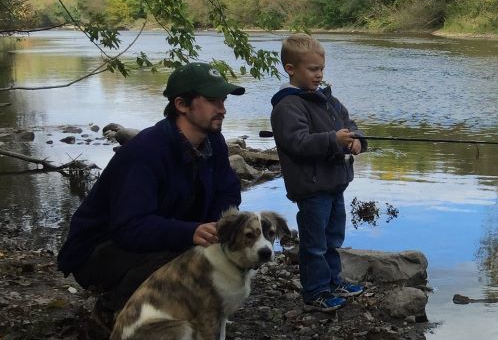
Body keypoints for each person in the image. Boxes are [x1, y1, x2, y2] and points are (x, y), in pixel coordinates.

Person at [57, 62, 246, 324]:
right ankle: (112, 309)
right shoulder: (145, 152)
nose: (222, 109)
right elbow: (129, 227)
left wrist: (220, 225)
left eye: (223, 101)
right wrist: (189, 232)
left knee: (215, 254)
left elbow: (228, 189)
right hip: (98, 251)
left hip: (154, 236)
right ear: (181, 105)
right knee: (177, 261)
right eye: (213, 100)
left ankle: (172, 309)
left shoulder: (213, 142)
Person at [269, 34, 367, 312]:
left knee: (333, 239)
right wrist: (332, 140)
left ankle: (334, 281)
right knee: (314, 244)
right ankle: (315, 292)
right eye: (313, 70)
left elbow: (349, 123)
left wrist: (357, 140)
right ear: (291, 69)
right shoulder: (288, 105)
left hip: (335, 182)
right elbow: (296, 143)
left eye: (321, 69)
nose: (319, 75)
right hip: (312, 188)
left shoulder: (328, 100)